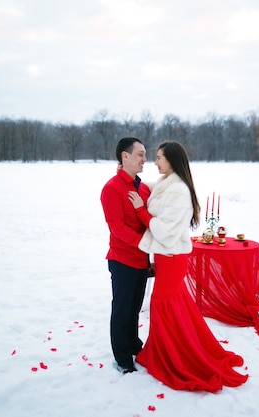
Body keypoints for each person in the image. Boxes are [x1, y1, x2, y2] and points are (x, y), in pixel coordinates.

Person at [127, 141, 248, 392]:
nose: (155, 162)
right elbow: (152, 189)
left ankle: (174, 356)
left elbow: (164, 231)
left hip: (172, 258)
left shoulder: (179, 191)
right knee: (168, 307)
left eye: (159, 158)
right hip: (166, 258)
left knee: (163, 306)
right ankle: (167, 351)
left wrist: (140, 210)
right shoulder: (166, 184)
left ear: (172, 160)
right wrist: (127, 175)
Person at [100, 137, 152, 374]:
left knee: (134, 308)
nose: (144, 159)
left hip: (141, 260)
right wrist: (144, 243)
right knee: (122, 310)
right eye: (140, 154)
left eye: (145, 154)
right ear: (125, 156)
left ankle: (134, 345)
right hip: (122, 260)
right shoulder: (111, 188)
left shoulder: (142, 187)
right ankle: (122, 359)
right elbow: (117, 228)